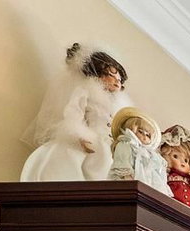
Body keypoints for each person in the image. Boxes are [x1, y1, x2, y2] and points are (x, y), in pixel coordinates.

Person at [20, 44, 130, 182]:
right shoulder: (87, 91)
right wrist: (80, 136)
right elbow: (74, 112)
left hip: (108, 146)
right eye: (111, 76)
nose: (117, 81)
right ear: (98, 75)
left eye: (119, 79)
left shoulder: (117, 105)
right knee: (81, 167)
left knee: (107, 167)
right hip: (91, 142)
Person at [107, 108, 165, 188]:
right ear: (131, 130)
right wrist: (128, 178)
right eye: (140, 132)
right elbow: (123, 163)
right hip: (127, 183)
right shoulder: (125, 144)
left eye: (148, 135)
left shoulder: (149, 154)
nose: (144, 137)